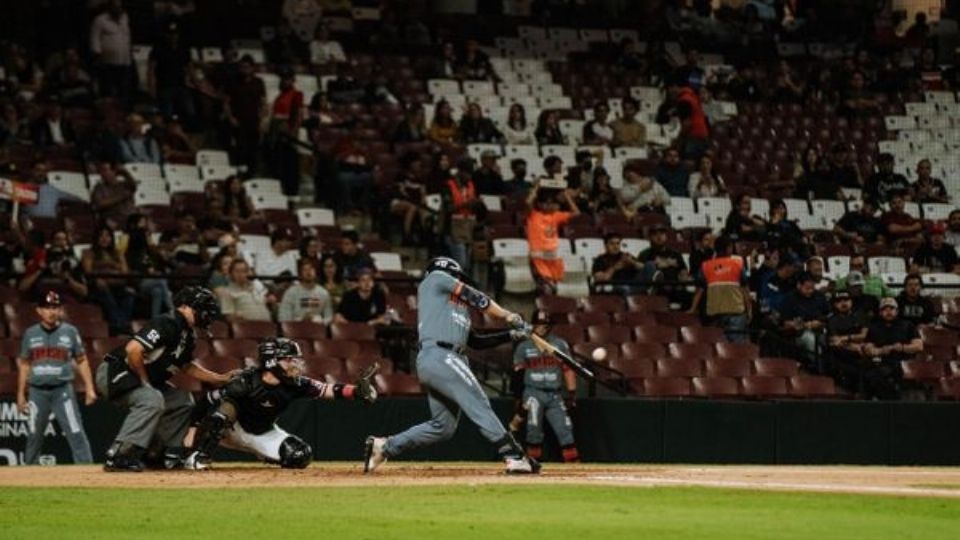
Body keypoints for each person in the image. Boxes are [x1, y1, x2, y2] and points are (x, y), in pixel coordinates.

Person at [364, 257, 540, 474]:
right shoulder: (435, 279)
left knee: (443, 427)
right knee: (478, 400)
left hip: (442, 359)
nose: (458, 281)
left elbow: (475, 341)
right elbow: (477, 298)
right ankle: (514, 456)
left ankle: (385, 447)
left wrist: (512, 335)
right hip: (441, 355)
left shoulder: (456, 309)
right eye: (456, 277)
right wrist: (508, 315)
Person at [183, 338, 377, 469]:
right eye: (289, 360)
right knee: (225, 408)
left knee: (300, 455)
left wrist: (356, 391)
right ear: (271, 361)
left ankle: (265, 453)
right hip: (232, 430)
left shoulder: (296, 384)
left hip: (262, 432)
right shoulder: (246, 381)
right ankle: (199, 457)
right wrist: (192, 429)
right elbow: (207, 400)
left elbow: (328, 389)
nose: (295, 364)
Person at [96, 286, 231, 471]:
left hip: (139, 379)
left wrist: (219, 378)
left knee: (183, 401)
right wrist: (145, 383)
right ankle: (120, 454)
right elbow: (133, 350)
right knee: (152, 399)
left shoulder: (188, 334)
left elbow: (186, 366)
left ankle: (160, 454)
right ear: (186, 306)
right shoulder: (167, 322)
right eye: (203, 308)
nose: (206, 313)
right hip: (116, 373)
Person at [16, 291, 96, 465]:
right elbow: (24, 364)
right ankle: (28, 476)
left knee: (75, 431)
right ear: (39, 310)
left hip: (62, 390)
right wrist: (21, 394)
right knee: (34, 435)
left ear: (61, 310)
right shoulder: (30, 333)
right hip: (37, 391)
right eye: (47, 308)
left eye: (55, 307)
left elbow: (82, 360)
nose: (51, 312)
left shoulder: (70, 331)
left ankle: (88, 473)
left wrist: (90, 388)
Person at [512, 310, 579, 463]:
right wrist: (517, 397)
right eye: (538, 324)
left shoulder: (559, 344)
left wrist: (572, 393)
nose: (542, 327)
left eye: (545, 324)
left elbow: (568, 369)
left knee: (565, 430)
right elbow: (517, 374)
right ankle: (532, 465)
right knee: (533, 431)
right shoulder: (523, 346)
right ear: (533, 325)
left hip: (555, 394)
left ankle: (575, 467)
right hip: (533, 393)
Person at [689, 236, 751, 343]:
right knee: (736, 348)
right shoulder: (738, 263)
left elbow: (699, 290)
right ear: (729, 248)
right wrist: (749, 310)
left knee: (716, 347)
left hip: (714, 312)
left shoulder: (706, 266)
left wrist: (692, 308)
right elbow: (745, 289)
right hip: (735, 311)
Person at [860, 297, 923, 400]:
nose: (888, 311)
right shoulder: (874, 327)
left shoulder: (908, 325)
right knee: (870, 373)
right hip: (882, 361)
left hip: (903, 362)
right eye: (885, 309)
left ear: (897, 311)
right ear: (880, 312)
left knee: (879, 375)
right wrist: (881, 350)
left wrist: (902, 347)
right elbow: (868, 348)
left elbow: (919, 346)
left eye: (891, 308)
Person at [526, 181, 579, 295]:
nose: (549, 206)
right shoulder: (534, 215)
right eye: (546, 203)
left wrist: (566, 196)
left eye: (552, 203)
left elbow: (576, 212)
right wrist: (536, 188)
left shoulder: (556, 216)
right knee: (544, 288)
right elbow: (528, 202)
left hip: (553, 257)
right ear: (540, 204)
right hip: (538, 258)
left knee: (554, 288)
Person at [82, 227, 135, 335]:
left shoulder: (117, 253)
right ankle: (119, 325)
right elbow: (88, 270)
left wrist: (107, 264)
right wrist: (114, 266)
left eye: (107, 236)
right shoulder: (88, 252)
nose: (104, 239)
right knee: (104, 290)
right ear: (96, 238)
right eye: (101, 236)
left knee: (130, 294)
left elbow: (124, 271)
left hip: (117, 284)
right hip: (97, 285)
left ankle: (122, 324)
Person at [778, 272, 830, 369]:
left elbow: (828, 315)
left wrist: (820, 323)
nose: (810, 291)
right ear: (799, 285)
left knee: (831, 340)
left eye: (812, 288)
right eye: (807, 288)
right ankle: (820, 368)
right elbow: (785, 323)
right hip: (798, 335)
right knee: (809, 339)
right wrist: (806, 325)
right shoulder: (790, 299)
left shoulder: (819, 296)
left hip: (820, 330)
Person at [278, 259, 333, 323]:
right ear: (300, 274)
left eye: (311, 269)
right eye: (305, 270)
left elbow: (329, 317)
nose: (308, 272)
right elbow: (283, 318)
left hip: (317, 328)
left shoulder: (324, 293)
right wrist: (302, 320)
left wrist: (317, 320)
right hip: (295, 329)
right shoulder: (290, 293)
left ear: (315, 272)